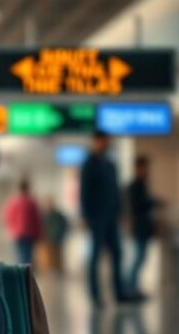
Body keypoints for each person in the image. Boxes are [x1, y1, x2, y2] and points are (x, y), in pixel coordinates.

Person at [80, 131, 129, 306]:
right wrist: (84, 215)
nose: (106, 144)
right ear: (96, 141)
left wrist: (120, 213)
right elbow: (84, 192)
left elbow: (116, 192)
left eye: (107, 141)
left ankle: (119, 292)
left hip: (112, 217)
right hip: (96, 217)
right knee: (95, 256)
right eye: (103, 141)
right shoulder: (89, 164)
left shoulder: (110, 165)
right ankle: (95, 295)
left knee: (117, 253)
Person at [126, 156, 161, 298]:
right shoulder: (135, 186)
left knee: (141, 258)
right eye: (144, 167)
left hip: (144, 228)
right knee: (139, 258)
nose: (147, 171)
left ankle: (132, 288)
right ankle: (130, 288)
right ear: (138, 168)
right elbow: (138, 206)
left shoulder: (142, 185)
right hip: (139, 228)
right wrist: (153, 202)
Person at [2, 179, 43, 266]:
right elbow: (37, 220)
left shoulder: (13, 202)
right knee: (28, 255)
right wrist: (39, 233)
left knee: (19, 254)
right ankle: (26, 274)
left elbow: (7, 217)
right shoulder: (31, 202)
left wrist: (11, 229)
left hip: (17, 233)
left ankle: (20, 273)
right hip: (29, 233)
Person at [43, 199, 69, 273]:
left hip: (52, 237)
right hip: (57, 236)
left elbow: (44, 226)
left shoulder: (47, 215)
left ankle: (54, 268)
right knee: (56, 254)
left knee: (53, 254)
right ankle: (56, 268)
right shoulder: (57, 215)